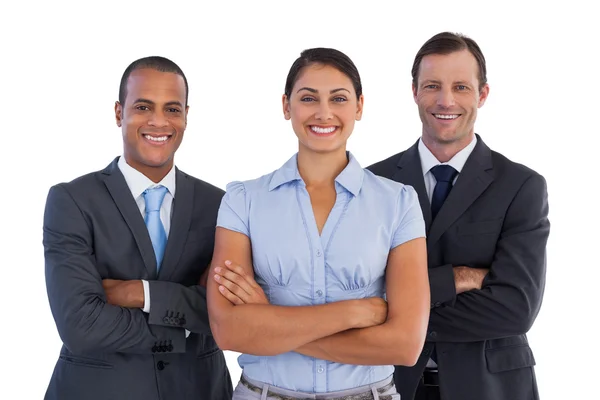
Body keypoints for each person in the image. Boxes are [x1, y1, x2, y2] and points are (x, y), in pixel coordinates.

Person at [207, 47, 430, 400]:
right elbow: (228, 330)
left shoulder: (399, 203)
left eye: (338, 99)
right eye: (308, 98)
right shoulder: (243, 201)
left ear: (358, 106)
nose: (323, 113)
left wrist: (271, 323)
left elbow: (404, 345)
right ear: (286, 106)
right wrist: (355, 312)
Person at [367, 32, 550, 400]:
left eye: (461, 87)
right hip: (389, 385)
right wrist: (457, 279)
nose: (445, 100)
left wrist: (394, 316)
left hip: (491, 388)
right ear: (414, 91)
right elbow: (354, 291)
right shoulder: (372, 183)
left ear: (482, 94)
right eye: (432, 85)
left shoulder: (521, 186)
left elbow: (516, 308)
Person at [43, 56, 233, 400]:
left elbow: (233, 314)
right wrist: (186, 329)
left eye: (172, 109)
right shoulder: (72, 201)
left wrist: (140, 293)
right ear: (119, 113)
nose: (159, 121)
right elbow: (81, 326)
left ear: (187, 116)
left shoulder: (222, 205)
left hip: (199, 390)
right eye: (144, 106)